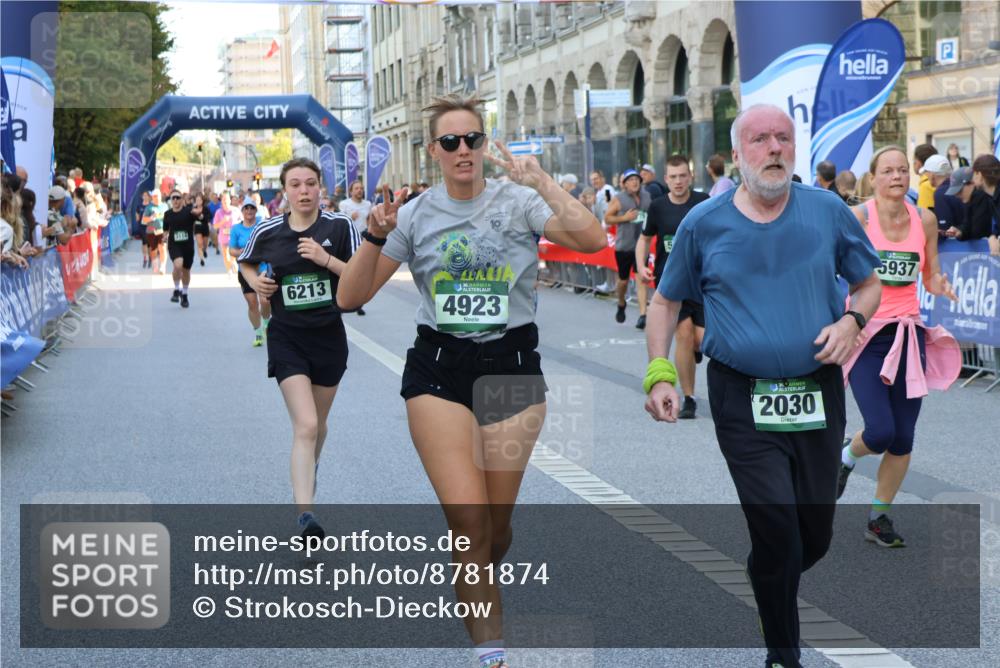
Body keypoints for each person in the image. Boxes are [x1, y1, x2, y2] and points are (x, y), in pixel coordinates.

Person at [337, 94, 604, 668]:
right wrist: (375, 237)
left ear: (484, 145)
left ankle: (477, 565)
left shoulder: (519, 200)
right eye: (451, 141)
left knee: (495, 530)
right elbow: (350, 296)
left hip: (511, 370)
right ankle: (491, 654)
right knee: (468, 521)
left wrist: (543, 181)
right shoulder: (414, 214)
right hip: (439, 370)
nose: (464, 150)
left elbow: (592, 240)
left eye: (473, 139)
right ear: (433, 150)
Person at [644, 104, 882, 668]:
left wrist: (852, 321)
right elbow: (665, 301)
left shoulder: (828, 211)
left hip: (817, 391)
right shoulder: (704, 222)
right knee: (777, 526)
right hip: (742, 396)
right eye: (760, 139)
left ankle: (766, 575)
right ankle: (783, 653)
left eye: (783, 138)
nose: (774, 148)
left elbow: (869, 285)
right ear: (737, 153)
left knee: (813, 537)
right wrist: (660, 373)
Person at [835, 146, 960, 548]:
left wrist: (939, 283)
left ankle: (878, 518)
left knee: (903, 437)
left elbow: (930, 273)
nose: (896, 177)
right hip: (867, 336)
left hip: (908, 336)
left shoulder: (924, 219)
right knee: (880, 431)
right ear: (873, 178)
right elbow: (832, 269)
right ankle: (847, 456)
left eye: (903, 170)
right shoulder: (858, 218)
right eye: (888, 171)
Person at [237, 158, 359, 540]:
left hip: (328, 338)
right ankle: (306, 515)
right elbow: (245, 263)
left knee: (318, 426)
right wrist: (258, 283)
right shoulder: (268, 230)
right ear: (284, 191)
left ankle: (308, 470)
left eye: (310, 183)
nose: (303, 191)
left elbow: (361, 277)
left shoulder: (339, 226)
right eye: (295, 184)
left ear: (320, 187)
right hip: (287, 338)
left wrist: (326, 259)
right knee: (305, 424)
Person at [636, 154, 709, 417]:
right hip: (671, 283)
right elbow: (644, 239)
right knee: (684, 334)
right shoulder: (657, 207)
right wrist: (641, 264)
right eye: (673, 177)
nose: (678, 181)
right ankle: (689, 397)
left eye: (682, 176)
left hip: (701, 282)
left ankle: (694, 351)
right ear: (666, 179)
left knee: (700, 340)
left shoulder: (703, 202)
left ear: (690, 177)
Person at [605, 168, 650, 328]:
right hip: (624, 246)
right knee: (623, 281)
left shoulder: (647, 196)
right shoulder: (619, 199)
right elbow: (607, 218)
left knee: (641, 279)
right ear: (624, 184)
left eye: (636, 179)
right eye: (630, 180)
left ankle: (643, 315)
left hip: (641, 245)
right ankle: (621, 302)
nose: (634, 182)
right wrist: (625, 217)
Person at [230, 196, 272, 346]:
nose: (249, 210)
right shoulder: (236, 229)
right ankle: (258, 332)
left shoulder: (262, 224)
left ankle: (266, 322)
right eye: (246, 208)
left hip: (262, 267)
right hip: (245, 269)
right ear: (242, 211)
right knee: (252, 304)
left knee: (265, 300)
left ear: (256, 210)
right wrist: (243, 252)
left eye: (252, 208)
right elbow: (231, 250)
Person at [163, 189, 198, 307]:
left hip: (188, 246)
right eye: (173, 198)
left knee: (186, 271)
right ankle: (176, 289)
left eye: (177, 198)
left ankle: (185, 294)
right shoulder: (167, 214)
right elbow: (166, 229)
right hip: (174, 244)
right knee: (178, 265)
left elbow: (200, 218)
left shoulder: (189, 212)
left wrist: (199, 212)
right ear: (170, 200)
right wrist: (164, 237)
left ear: (182, 200)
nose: (175, 200)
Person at [213, 192, 239, 274]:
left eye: (227, 199)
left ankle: (233, 264)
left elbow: (242, 221)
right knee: (226, 256)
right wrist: (223, 221)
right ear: (221, 201)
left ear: (230, 200)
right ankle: (229, 270)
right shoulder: (218, 212)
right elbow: (215, 226)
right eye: (223, 199)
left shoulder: (236, 210)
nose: (225, 201)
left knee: (233, 256)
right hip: (223, 238)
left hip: (234, 237)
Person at [142, 190, 167, 274]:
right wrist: (151, 218)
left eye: (157, 196)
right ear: (152, 197)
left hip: (162, 231)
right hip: (151, 231)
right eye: (154, 196)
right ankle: (155, 264)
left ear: (160, 196)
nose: (156, 198)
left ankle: (162, 266)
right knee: (154, 250)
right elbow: (143, 220)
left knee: (162, 248)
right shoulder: (149, 207)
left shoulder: (165, 206)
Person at [912, 143, 938, 209]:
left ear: (918, 163)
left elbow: (924, 213)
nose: (913, 163)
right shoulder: (938, 180)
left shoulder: (926, 185)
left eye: (914, 160)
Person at [192, 192, 212, 266]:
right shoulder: (193, 209)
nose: (198, 202)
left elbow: (210, 217)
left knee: (205, 243)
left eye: (199, 200)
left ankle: (204, 250)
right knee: (199, 243)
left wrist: (203, 217)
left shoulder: (206, 208)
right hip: (197, 227)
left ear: (202, 201)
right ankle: (201, 259)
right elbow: (191, 218)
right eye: (197, 200)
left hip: (205, 227)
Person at [134, 191, 151, 267]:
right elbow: (137, 214)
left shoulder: (151, 206)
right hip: (142, 226)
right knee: (144, 242)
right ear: (142, 197)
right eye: (144, 195)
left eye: (146, 195)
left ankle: (150, 257)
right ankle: (145, 258)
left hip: (150, 226)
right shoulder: (139, 205)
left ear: (149, 197)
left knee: (149, 243)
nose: (145, 197)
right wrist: (137, 217)